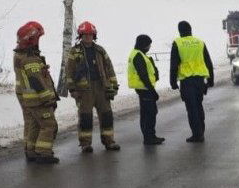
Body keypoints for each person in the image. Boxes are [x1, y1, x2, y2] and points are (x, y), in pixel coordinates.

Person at [65, 21, 120, 153]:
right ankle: (85, 144)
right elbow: (69, 71)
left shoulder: (100, 50)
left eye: (90, 35)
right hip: (84, 90)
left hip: (101, 87)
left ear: (94, 36)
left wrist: (113, 85)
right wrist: (72, 89)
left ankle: (109, 141)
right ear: (81, 36)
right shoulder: (74, 51)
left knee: (107, 115)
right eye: (85, 35)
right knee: (85, 117)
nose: (88, 37)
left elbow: (109, 68)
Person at [13, 21, 59, 164]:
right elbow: (36, 81)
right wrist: (47, 98)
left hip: (29, 99)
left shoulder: (21, 56)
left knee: (34, 124)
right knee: (49, 125)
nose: (39, 41)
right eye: (38, 38)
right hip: (38, 99)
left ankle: (31, 151)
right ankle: (43, 153)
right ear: (31, 40)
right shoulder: (30, 58)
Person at [170, 20, 214, 143]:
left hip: (187, 81)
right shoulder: (200, 42)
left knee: (191, 108)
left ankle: (197, 134)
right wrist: (210, 80)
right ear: (190, 30)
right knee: (198, 105)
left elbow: (174, 65)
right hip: (200, 80)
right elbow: (208, 62)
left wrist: (173, 82)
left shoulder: (178, 43)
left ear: (180, 31)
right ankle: (201, 131)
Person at [127, 34, 164, 145]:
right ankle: (149, 137)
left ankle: (149, 136)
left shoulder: (139, 54)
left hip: (143, 88)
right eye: (148, 45)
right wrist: (153, 91)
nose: (149, 47)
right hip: (145, 88)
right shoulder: (138, 55)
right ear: (143, 44)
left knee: (146, 113)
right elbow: (143, 75)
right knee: (150, 113)